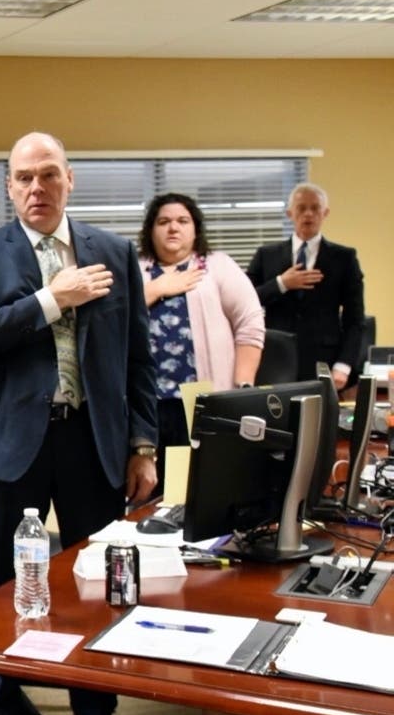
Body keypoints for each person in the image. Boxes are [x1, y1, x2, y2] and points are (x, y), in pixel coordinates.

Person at [0, 132, 158, 715]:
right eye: (23, 177)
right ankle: (1, 711)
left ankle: (95, 711)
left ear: (70, 180)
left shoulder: (112, 252)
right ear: (9, 187)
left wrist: (143, 446)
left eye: (48, 175)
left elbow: (137, 360)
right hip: (6, 443)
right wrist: (49, 300)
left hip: (93, 441)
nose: (36, 187)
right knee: (3, 586)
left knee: (95, 582)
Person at [138, 192, 265, 490]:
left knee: (194, 488)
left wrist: (242, 386)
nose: (173, 228)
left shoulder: (216, 266)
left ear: (195, 229)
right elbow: (115, 322)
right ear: (150, 229)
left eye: (183, 221)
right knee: (148, 490)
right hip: (146, 402)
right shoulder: (135, 270)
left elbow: (250, 323)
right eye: (163, 221)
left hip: (200, 399)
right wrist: (157, 288)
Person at [246, 183, 365, 390]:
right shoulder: (266, 255)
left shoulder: (344, 258)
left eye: (315, 208)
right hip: (275, 359)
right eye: (301, 208)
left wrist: (344, 365)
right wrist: (282, 283)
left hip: (324, 360)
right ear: (290, 213)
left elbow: (355, 318)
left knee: (320, 420)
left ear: (325, 213)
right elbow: (246, 301)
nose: (308, 214)